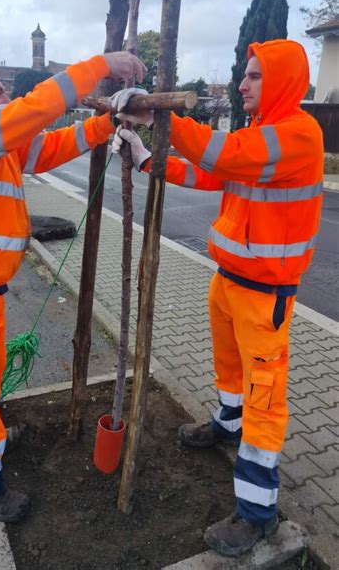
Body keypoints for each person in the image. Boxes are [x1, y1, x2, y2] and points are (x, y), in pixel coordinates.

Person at [111, 39, 323, 557]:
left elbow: (223, 155)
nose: (242, 84)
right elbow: (210, 172)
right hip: (228, 280)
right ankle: (228, 426)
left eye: (253, 77)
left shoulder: (297, 134)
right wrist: (145, 159)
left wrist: (158, 113)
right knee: (230, 371)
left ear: (280, 82)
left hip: (264, 292)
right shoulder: (258, 135)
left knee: (265, 398)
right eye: (245, 76)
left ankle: (257, 514)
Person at [0, 51, 146, 523]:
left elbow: (48, 147)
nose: (7, 96)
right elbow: (35, 110)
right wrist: (100, 66)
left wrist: (106, 125)